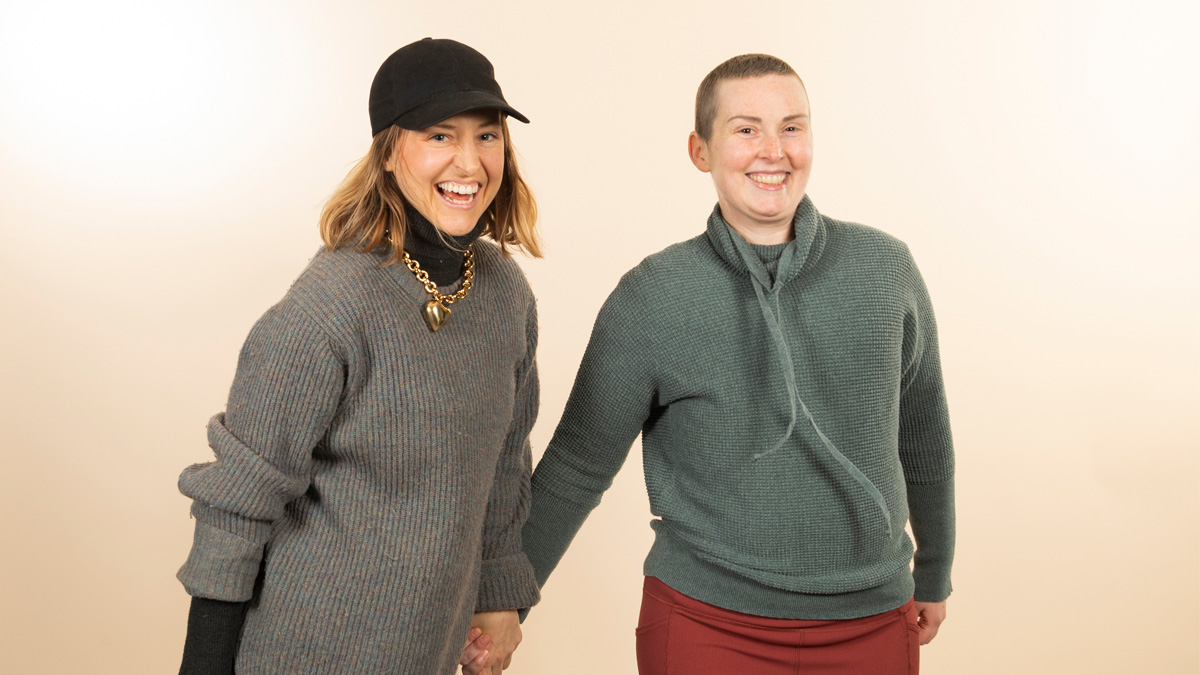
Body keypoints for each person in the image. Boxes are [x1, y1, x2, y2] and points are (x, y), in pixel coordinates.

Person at [515, 53, 955, 674]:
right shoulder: (654, 295)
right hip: (706, 621)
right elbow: (578, 466)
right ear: (701, 150)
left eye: (792, 127)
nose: (773, 150)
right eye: (746, 129)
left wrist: (934, 571)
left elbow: (924, 437)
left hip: (871, 619)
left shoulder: (885, 271)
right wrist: (504, 604)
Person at [176, 38, 541, 675]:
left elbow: (505, 461)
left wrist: (499, 594)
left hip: (427, 651)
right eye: (439, 136)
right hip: (305, 652)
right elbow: (238, 501)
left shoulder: (502, 292)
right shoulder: (331, 305)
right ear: (390, 152)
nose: (470, 161)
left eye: (488, 136)